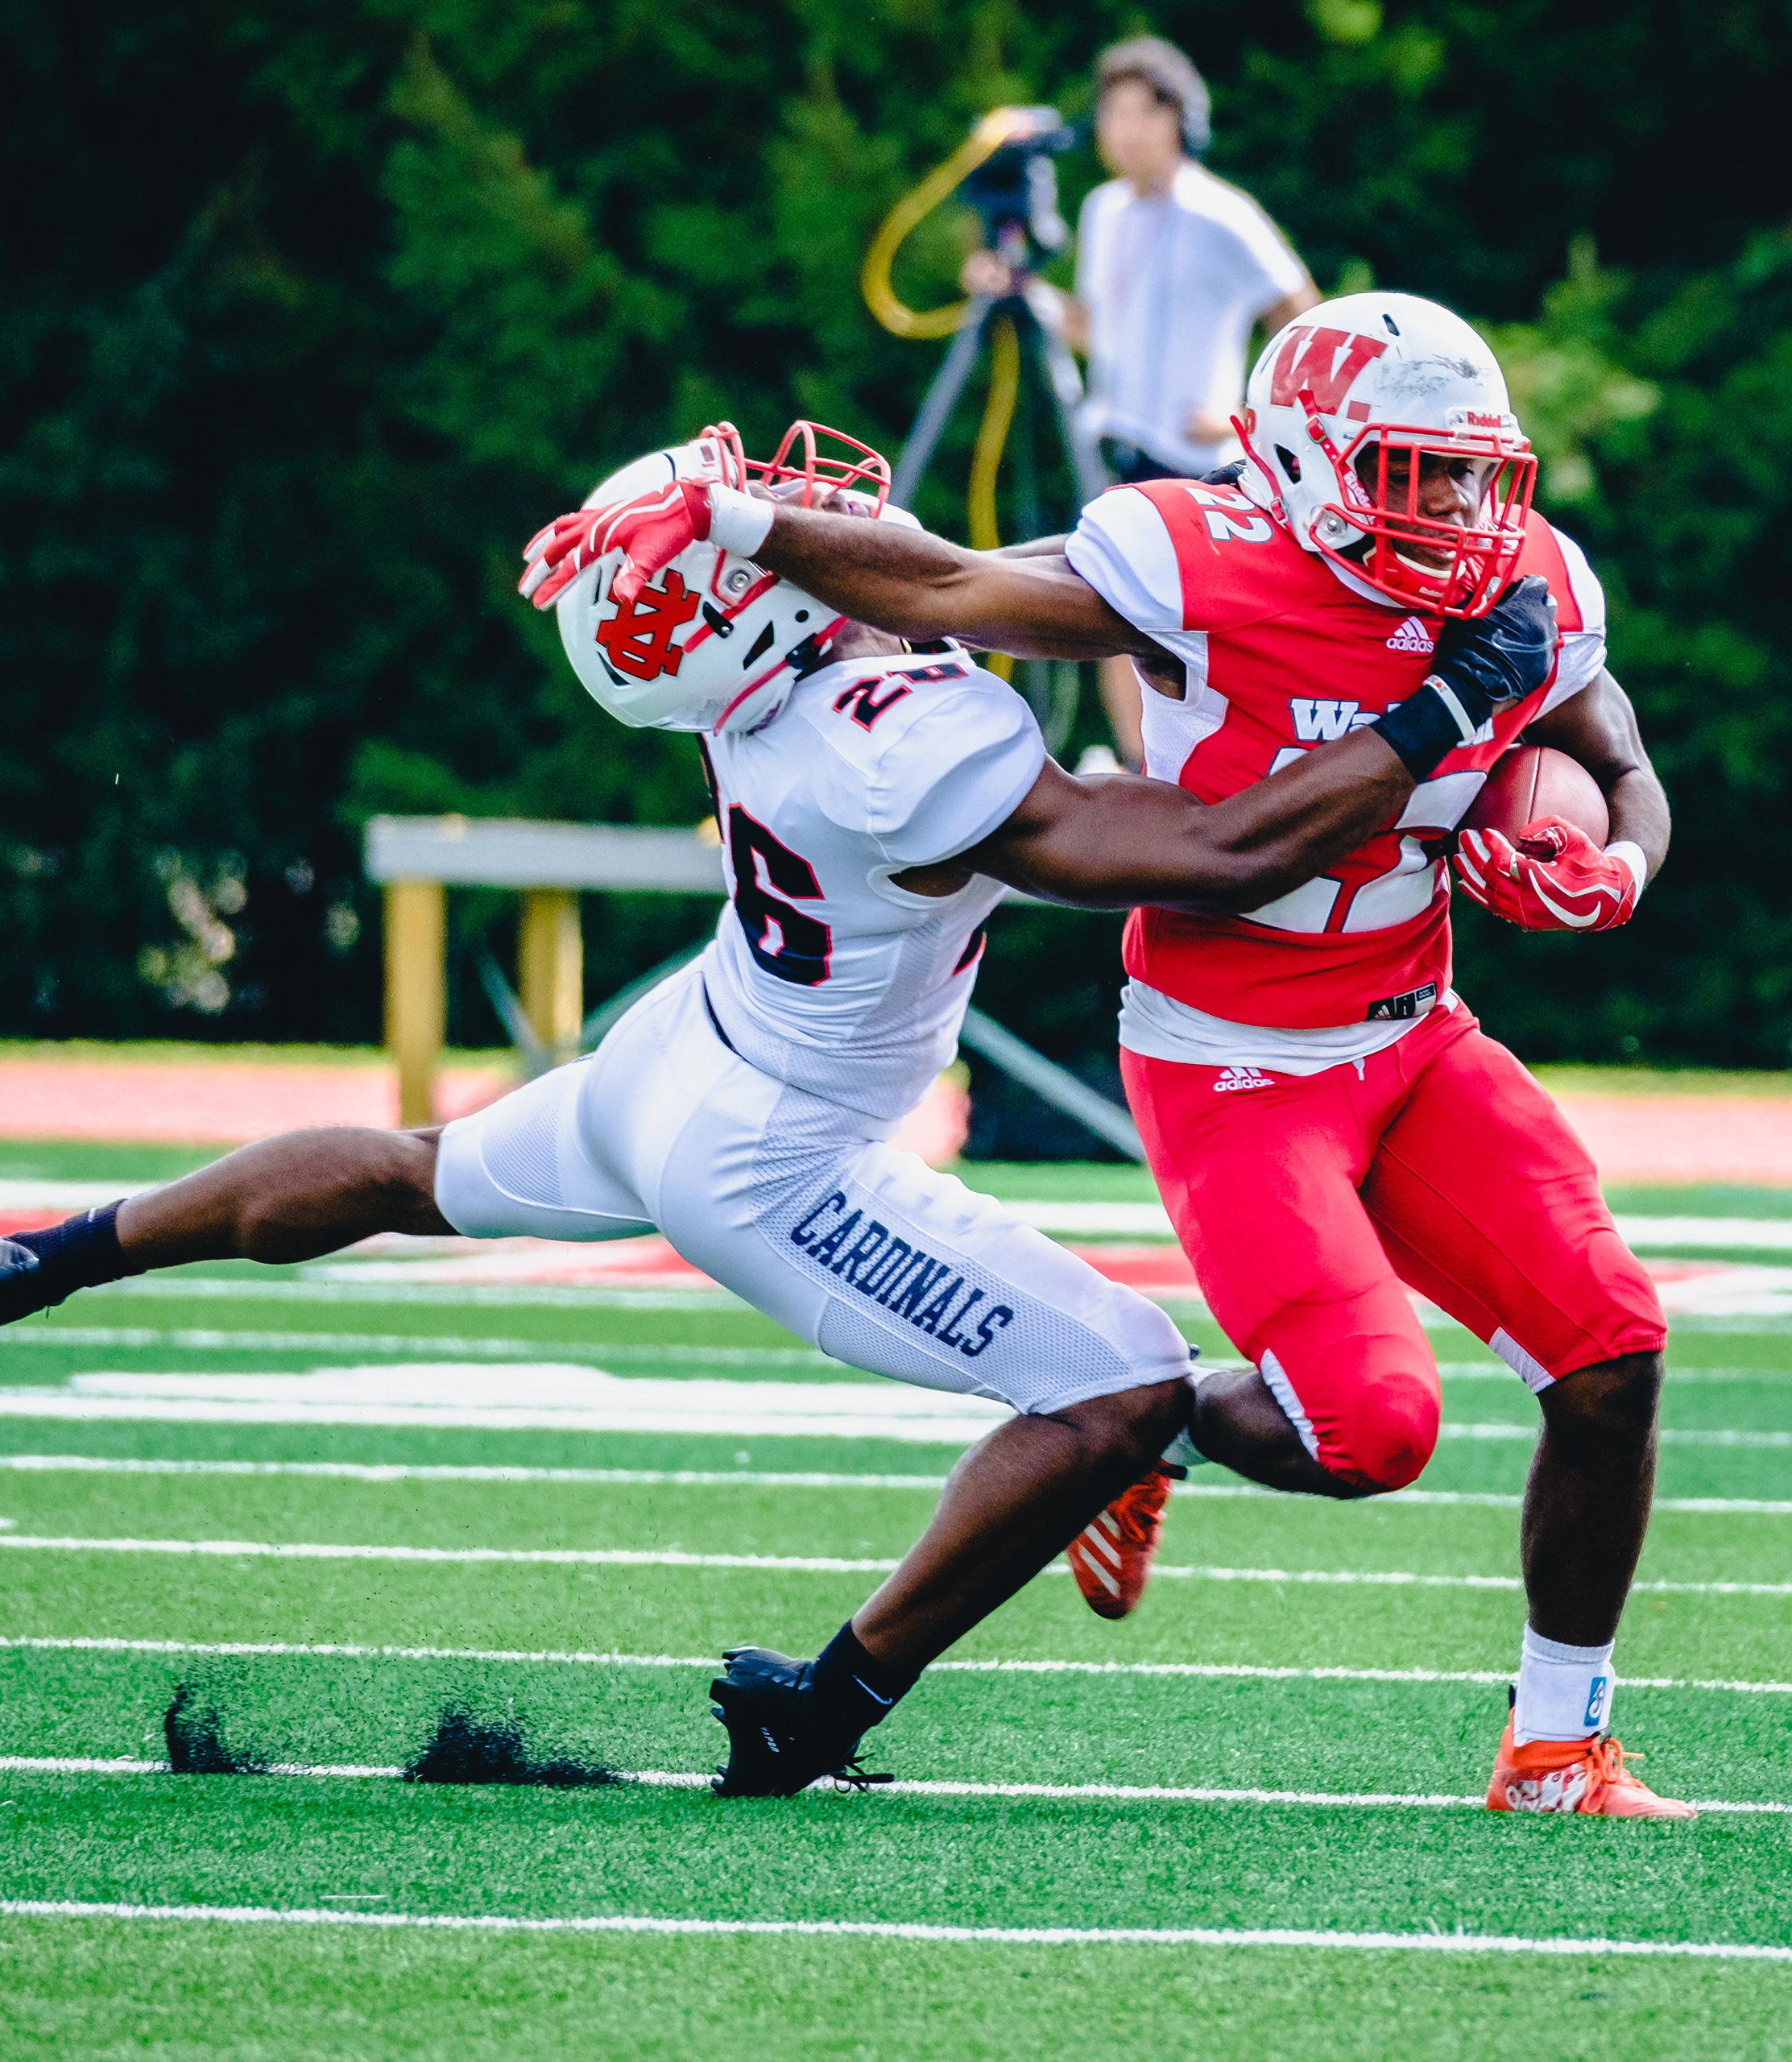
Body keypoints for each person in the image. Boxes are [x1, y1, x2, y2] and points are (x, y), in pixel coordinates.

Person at [0, 420, 1559, 1803]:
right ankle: (824, 1701)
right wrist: (1430, 720)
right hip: (776, 1158)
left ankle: (46, 1259)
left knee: (417, 1174)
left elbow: (917, 565)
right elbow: (1213, 855)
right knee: (1124, 1380)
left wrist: (760, 523)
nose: (803, 499)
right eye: (753, 521)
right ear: (750, 618)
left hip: (674, 1059)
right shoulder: (895, 736)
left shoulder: (783, 693)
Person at [523, 295, 1691, 1819]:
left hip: (1416, 1035)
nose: (1459, 515)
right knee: (1377, 1433)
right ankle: (1156, 1424)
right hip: (1234, 1061)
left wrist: (1624, 864)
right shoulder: (1200, 562)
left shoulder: (1523, 578)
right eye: (1413, 475)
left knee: (1613, 1352)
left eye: (1474, 477)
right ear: (1304, 461)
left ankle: (1555, 1747)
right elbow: (947, 585)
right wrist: (742, 521)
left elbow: (1620, 759)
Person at [964, 37, 1318, 768]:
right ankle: (1139, 765)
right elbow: (1099, 329)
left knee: (1187, 620)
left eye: (1142, 112)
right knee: (1109, 600)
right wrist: (1024, 292)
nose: (1124, 129)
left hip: (1197, 456)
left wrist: (1248, 420)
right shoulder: (1102, 210)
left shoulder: (1225, 214)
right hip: (1115, 441)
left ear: (1179, 120)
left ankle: (1197, 763)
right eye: (1112, 113)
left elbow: (1305, 321)